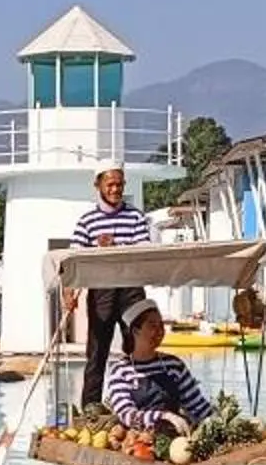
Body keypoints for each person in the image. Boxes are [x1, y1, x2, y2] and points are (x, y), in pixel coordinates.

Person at [65, 163, 152, 411]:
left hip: (131, 289)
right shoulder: (87, 221)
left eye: (119, 185)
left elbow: (144, 251)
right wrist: (68, 292)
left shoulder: (136, 217)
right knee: (96, 353)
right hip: (101, 290)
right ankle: (90, 411)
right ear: (98, 186)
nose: (115, 189)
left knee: (137, 347)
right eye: (110, 184)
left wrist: (115, 248)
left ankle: (141, 406)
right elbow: (73, 259)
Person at [103, 302, 212, 436]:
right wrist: (163, 416)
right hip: (137, 441)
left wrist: (216, 422)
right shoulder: (120, 371)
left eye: (161, 325)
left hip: (175, 437)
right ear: (135, 330)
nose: (160, 331)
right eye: (153, 326)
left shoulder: (174, 365)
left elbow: (198, 407)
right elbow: (127, 414)